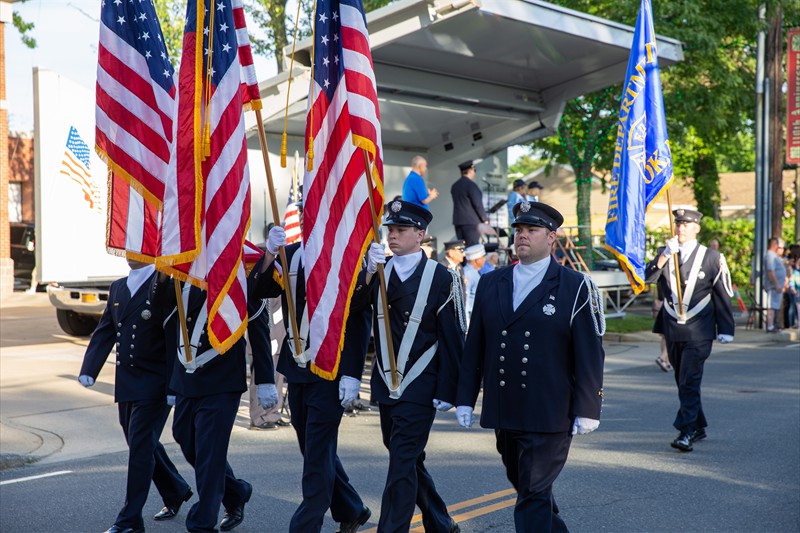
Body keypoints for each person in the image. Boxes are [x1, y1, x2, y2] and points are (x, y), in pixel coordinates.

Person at [455, 200, 605, 533]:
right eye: (519, 230)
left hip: (550, 411)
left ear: (552, 237)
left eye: (532, 230)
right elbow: (475, 345)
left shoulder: (574, 286)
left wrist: (588, 406)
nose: (522, 236)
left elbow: (589, 353)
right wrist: (465, 396)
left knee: (533, 494)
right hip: (505, 407)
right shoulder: (492, 283)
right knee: (526, 487)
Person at [352, 200, 465, 533]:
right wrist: (369, 274)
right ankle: (440, 522)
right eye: (390, 229)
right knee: (407, 458)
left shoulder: (442, 278)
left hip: (421, 384)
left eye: (401, 230)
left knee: (400, 464)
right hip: (387, 381)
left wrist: (451, 389)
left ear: (421, 234)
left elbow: (453, 339)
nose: (392, 236)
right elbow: (355, 311)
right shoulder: (379, 270)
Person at [252, 223, 371, 533]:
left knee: (317, 456)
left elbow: (358, 317)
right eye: (306, 210)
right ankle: (351, 508)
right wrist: (269, 254)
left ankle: (305, 526)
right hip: (299, 367)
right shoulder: (290, 255)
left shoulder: (344, 257)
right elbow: (261, 290)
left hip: (331, 369)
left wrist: (352, 373)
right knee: (312, 445)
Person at [152, 267, 275, 533]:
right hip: (187, 377)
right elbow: (162, 307)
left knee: (210, 452)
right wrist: (162, 272)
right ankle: (235, 492)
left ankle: (202, 523)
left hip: (222, 378)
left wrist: (264, 379)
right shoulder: (183, 268)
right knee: (186, 438)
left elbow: (257, 324)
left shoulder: (235, 266)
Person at [79, 259, 192, 533]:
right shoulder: (119, 287)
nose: (129, 250)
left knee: (141, 447)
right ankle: (178, 490)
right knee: (141, 443)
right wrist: (89, 368)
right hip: (128, 381)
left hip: (156, 382)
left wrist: (174, 386)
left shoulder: (164, 283)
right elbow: (106, 329)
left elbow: (174, 335)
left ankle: (129, 520)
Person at [645, 208, 735, 452]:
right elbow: (648, 278)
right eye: (678, 224)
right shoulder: (666, 253)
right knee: (681, 379)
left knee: (689, 379)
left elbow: (723, 295)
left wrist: (726, 328)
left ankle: (686, 431)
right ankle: (699, 424)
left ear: (697, 228)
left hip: (700, 330)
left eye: (686, 224)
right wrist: (664, 255)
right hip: (673, 327)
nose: (681, 228)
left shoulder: (712, 257)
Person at [246, 296, 290, 430]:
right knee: (262, 371)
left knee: (277, 369)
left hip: (278, 330)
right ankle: (259, 416)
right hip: (263, 335)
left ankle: (273, 414)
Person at [450, 159, 489, 246]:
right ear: (471, 170)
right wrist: (485, 219)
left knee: (461, 249)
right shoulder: (471, 185)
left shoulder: (455, 186)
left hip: (458, 222)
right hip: (471, 223)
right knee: (472, 248)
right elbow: (478, 204)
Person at [764, 237, 787, 332]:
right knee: (772, 306)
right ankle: (770, 326)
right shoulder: (770, 255)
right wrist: (777, 284)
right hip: (773, 287)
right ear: (774, 245)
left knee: (775, 306)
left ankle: (774, 325)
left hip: (777, 287)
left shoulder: (774, 256)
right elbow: (771, 271)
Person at [463, 243, 486, 324]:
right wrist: (466, 323)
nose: (484, 259)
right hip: (470, 315)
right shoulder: (468, 273)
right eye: (482, 257)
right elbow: (465, 298)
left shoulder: (474, 272)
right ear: (477, 260)